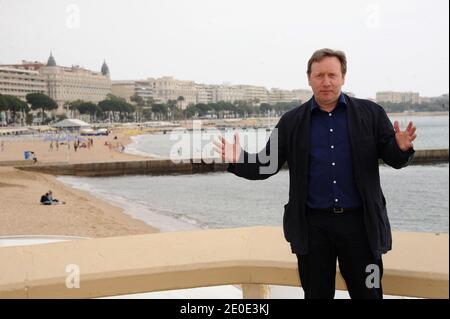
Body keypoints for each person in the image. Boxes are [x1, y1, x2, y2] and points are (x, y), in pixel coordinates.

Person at [213, 48, 417, 299]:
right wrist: (239, 159)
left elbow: (393, 158)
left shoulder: (371, 114)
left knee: (370, 293)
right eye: (319, 75)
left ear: (343, 77)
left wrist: (400, 147)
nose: (326, 81)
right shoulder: (291, 121)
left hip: (362, 227)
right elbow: (267, 164)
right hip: (312, 229)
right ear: (309, 79)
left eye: (332, 74)